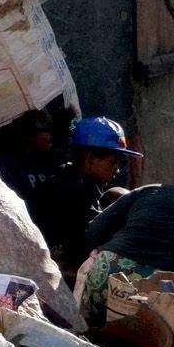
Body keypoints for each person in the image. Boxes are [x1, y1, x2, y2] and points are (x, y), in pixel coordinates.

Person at [79, 151, 174, 326]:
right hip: (161, 297)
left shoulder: (149, 190)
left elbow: (92, 233)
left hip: (105, 279)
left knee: (93, 331)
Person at [33, 117, 142, 281]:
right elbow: (87, 240)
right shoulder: (69, 189)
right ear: (90, 158)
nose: (117, 171)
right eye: (113, 163)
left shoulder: (87, 184)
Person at [0, 109, 63, 219]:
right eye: (45, 130)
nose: (50, 136)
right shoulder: (2, 160)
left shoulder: (48, 158)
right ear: (30, 133)